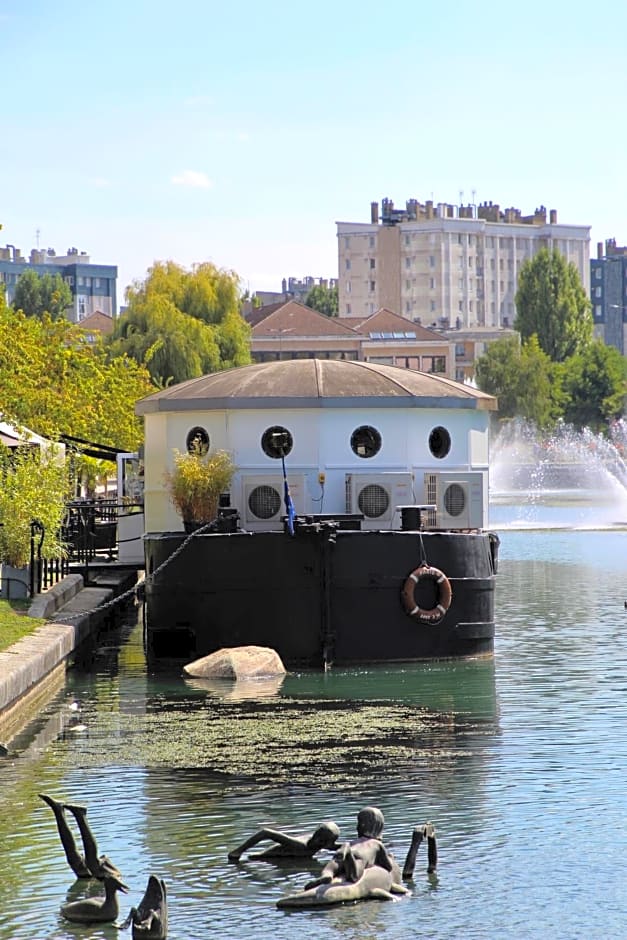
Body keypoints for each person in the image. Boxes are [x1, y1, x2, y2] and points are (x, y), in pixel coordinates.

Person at [303, 806, 395, 889]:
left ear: (361, 826)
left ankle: (327, 875)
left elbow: (333, 847)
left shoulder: (354, 842)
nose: (357, 827)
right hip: (359, 857)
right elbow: (388, 867)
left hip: (348, 849)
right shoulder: (377, 845)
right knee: (354, 877)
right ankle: (348, 855)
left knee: (333, 865)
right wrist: (390, 858)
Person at [39, 794, 121, 881]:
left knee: (73, 860)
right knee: (92, 863)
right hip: (108, 878)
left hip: (94, 883)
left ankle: (58, 810)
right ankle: (80, 815)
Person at [228, 820, 340, 861]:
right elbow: (265, 832)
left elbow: (335, 846)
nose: (316, 841)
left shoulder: (320, 844)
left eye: (322, 841)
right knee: (253, 858)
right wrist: (238, 851)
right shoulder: (302, 845)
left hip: (285, 860)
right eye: (316, 837)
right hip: (262, 859)